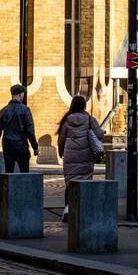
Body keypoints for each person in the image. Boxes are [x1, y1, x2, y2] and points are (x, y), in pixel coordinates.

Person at [57, 94, 105, 223]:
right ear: (84, 105)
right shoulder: (89, 119)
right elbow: (100, 134)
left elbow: (61, 139)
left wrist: (61, 153)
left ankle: (67, 208)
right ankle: (83, 210)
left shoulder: (66, 120)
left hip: (70, 156)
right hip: (85, 156)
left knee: (70, 183)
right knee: (85, 181)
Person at [0, 83, 39, 174]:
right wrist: (35, 147)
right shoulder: (25, 110)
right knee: (24, 174)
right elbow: (30, 131)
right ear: (20, 94)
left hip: (8, 147)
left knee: (9, 174)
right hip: (22, 147)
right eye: (23, 94)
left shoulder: (3, 110)